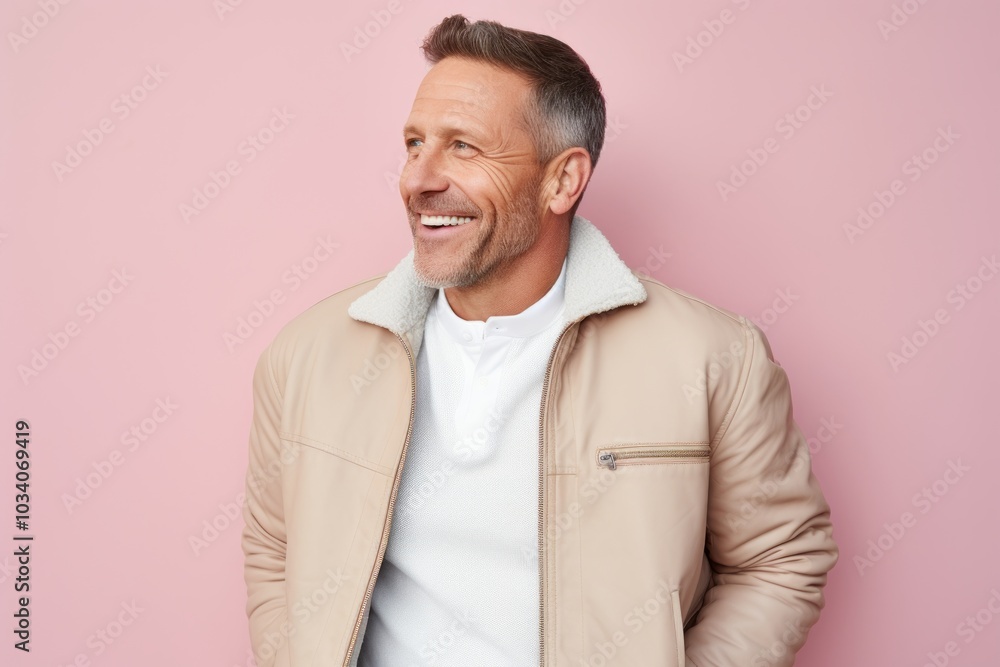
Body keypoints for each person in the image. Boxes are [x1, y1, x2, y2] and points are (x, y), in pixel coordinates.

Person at [241, 14, 838, 667]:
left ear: (563, 180)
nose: (418, 179)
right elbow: (275, 550)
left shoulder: (714, 358)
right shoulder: (308, 356)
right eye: (414, 143)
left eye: (463, 146)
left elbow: (782, 556)